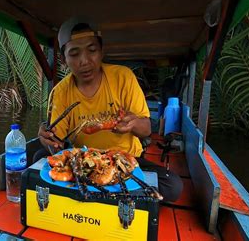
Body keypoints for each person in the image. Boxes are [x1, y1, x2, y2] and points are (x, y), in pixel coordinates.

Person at [36, 16, 182, 202]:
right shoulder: (60, 92)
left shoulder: (123, 77)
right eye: (74, 54)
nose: (84, 61)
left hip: (124, 160)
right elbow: (56, 143)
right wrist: (46, 137)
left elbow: (146, 130)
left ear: (102, 51)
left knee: (173, 186)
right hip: (83, 158)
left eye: (92, 50)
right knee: (39, 156)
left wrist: (132, 124)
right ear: (64, 60)